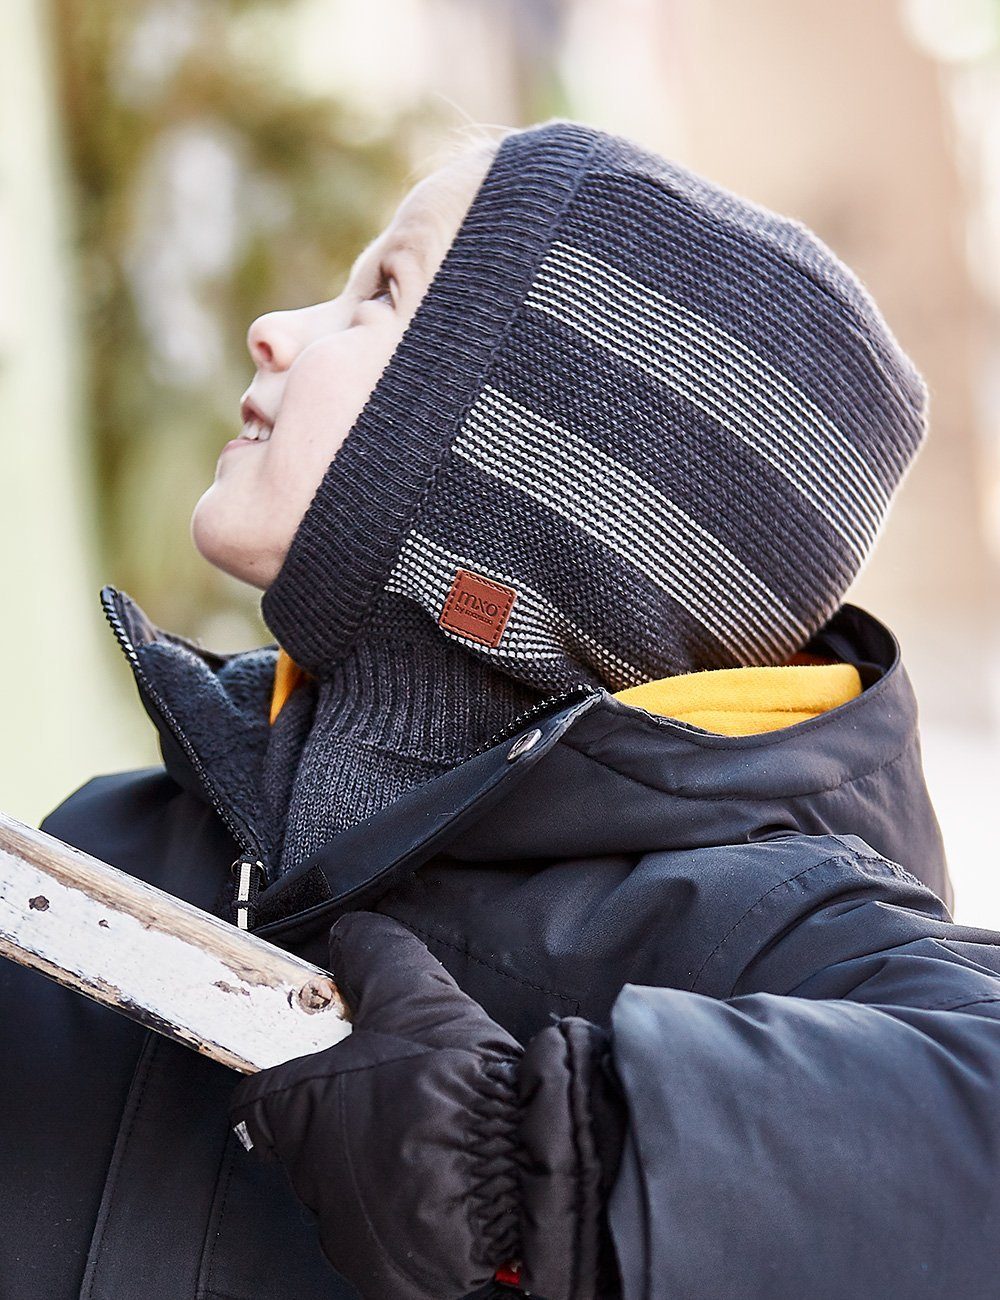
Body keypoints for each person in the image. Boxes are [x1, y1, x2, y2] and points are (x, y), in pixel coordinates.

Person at [5, 117, 1000, 1300]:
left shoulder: (768, 938)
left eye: (381, 292)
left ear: (548, 467)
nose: (278, 329)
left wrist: (531, 1164)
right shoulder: (116, 842)